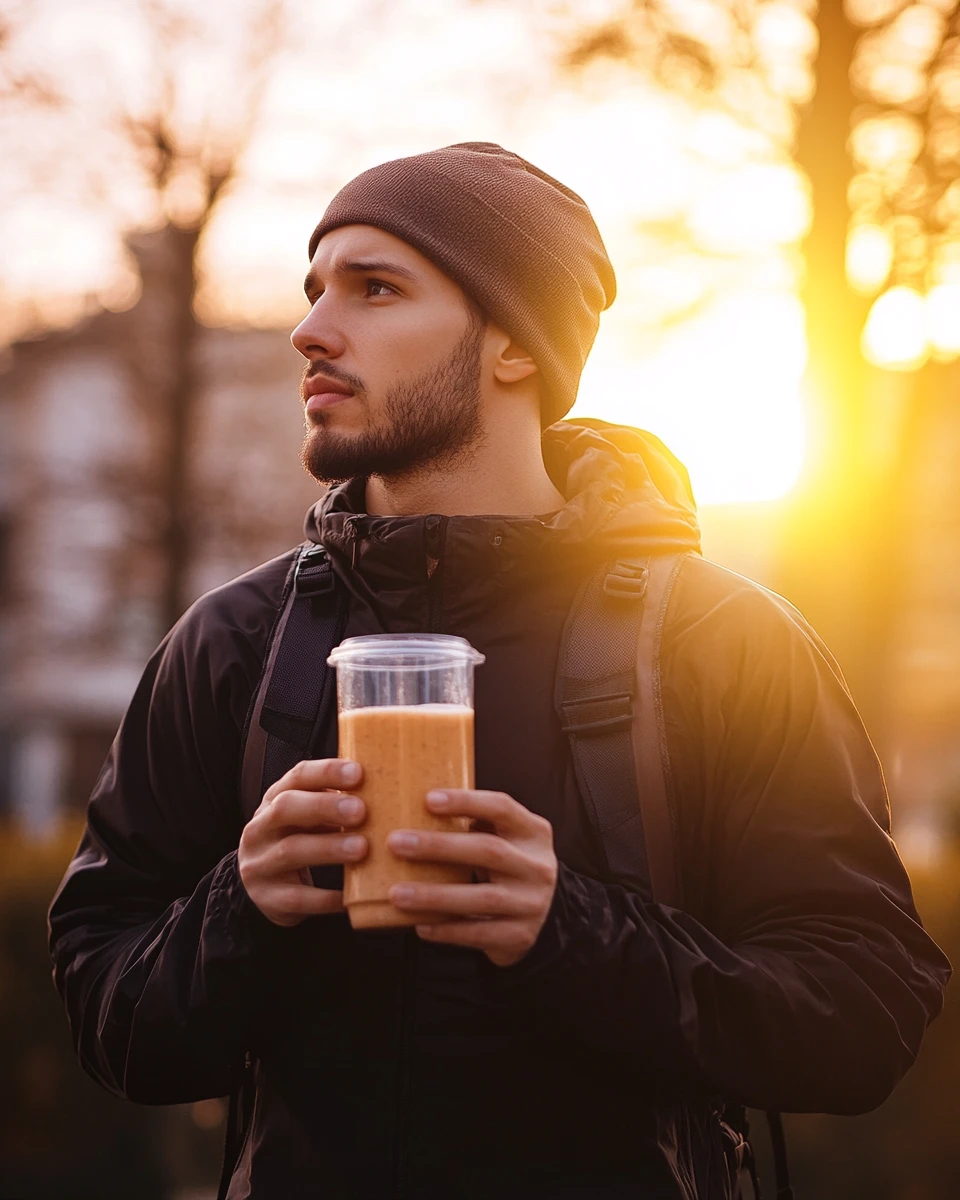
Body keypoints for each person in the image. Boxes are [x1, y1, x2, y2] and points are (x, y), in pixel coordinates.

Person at [49, 142, 949, 1200]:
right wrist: (241, 906)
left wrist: (572, 928)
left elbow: (867, 1014)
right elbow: (108, 1012)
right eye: (314, 288)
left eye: (375, 288)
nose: (311, 329)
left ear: (517, 345)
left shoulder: (718, 644)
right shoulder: (232, 643)